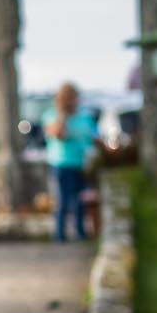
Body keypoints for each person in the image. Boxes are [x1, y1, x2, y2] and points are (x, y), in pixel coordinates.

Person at [41, 81, 99, 243]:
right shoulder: (51, 115)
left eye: (74, 98)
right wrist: (62, 115)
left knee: (81, 199)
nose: (72, 101)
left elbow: (94, 136)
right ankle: (60, 234)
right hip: (61, 163)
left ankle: (80, 232)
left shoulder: (84, 116)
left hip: (82, 163)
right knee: (63, 200)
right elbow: (58, 134)